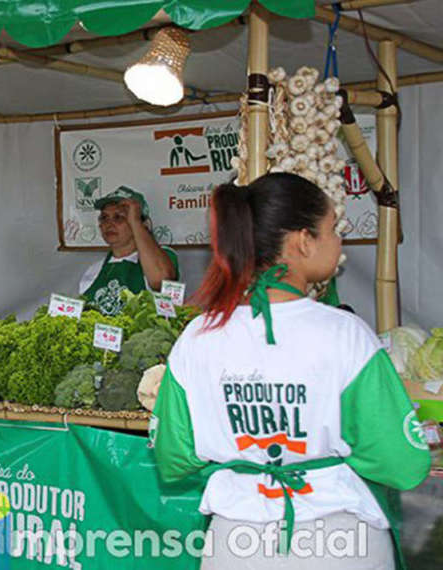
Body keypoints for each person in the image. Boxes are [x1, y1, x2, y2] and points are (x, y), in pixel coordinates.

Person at [152, 173, 430, 569]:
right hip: (341, 544)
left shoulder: (198, 337)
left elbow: (172, 457)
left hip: (236, 546)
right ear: (303, 240)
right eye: (333, 229)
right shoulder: (345, 334)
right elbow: (403, 464)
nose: (338, 242)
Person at [78, 186, 178, 314]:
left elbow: (160, 280)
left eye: (119, 217)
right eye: (104, 218)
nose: (109, 224)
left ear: (143, 224)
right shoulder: (94, 270)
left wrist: (135, 221)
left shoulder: (164, 256)